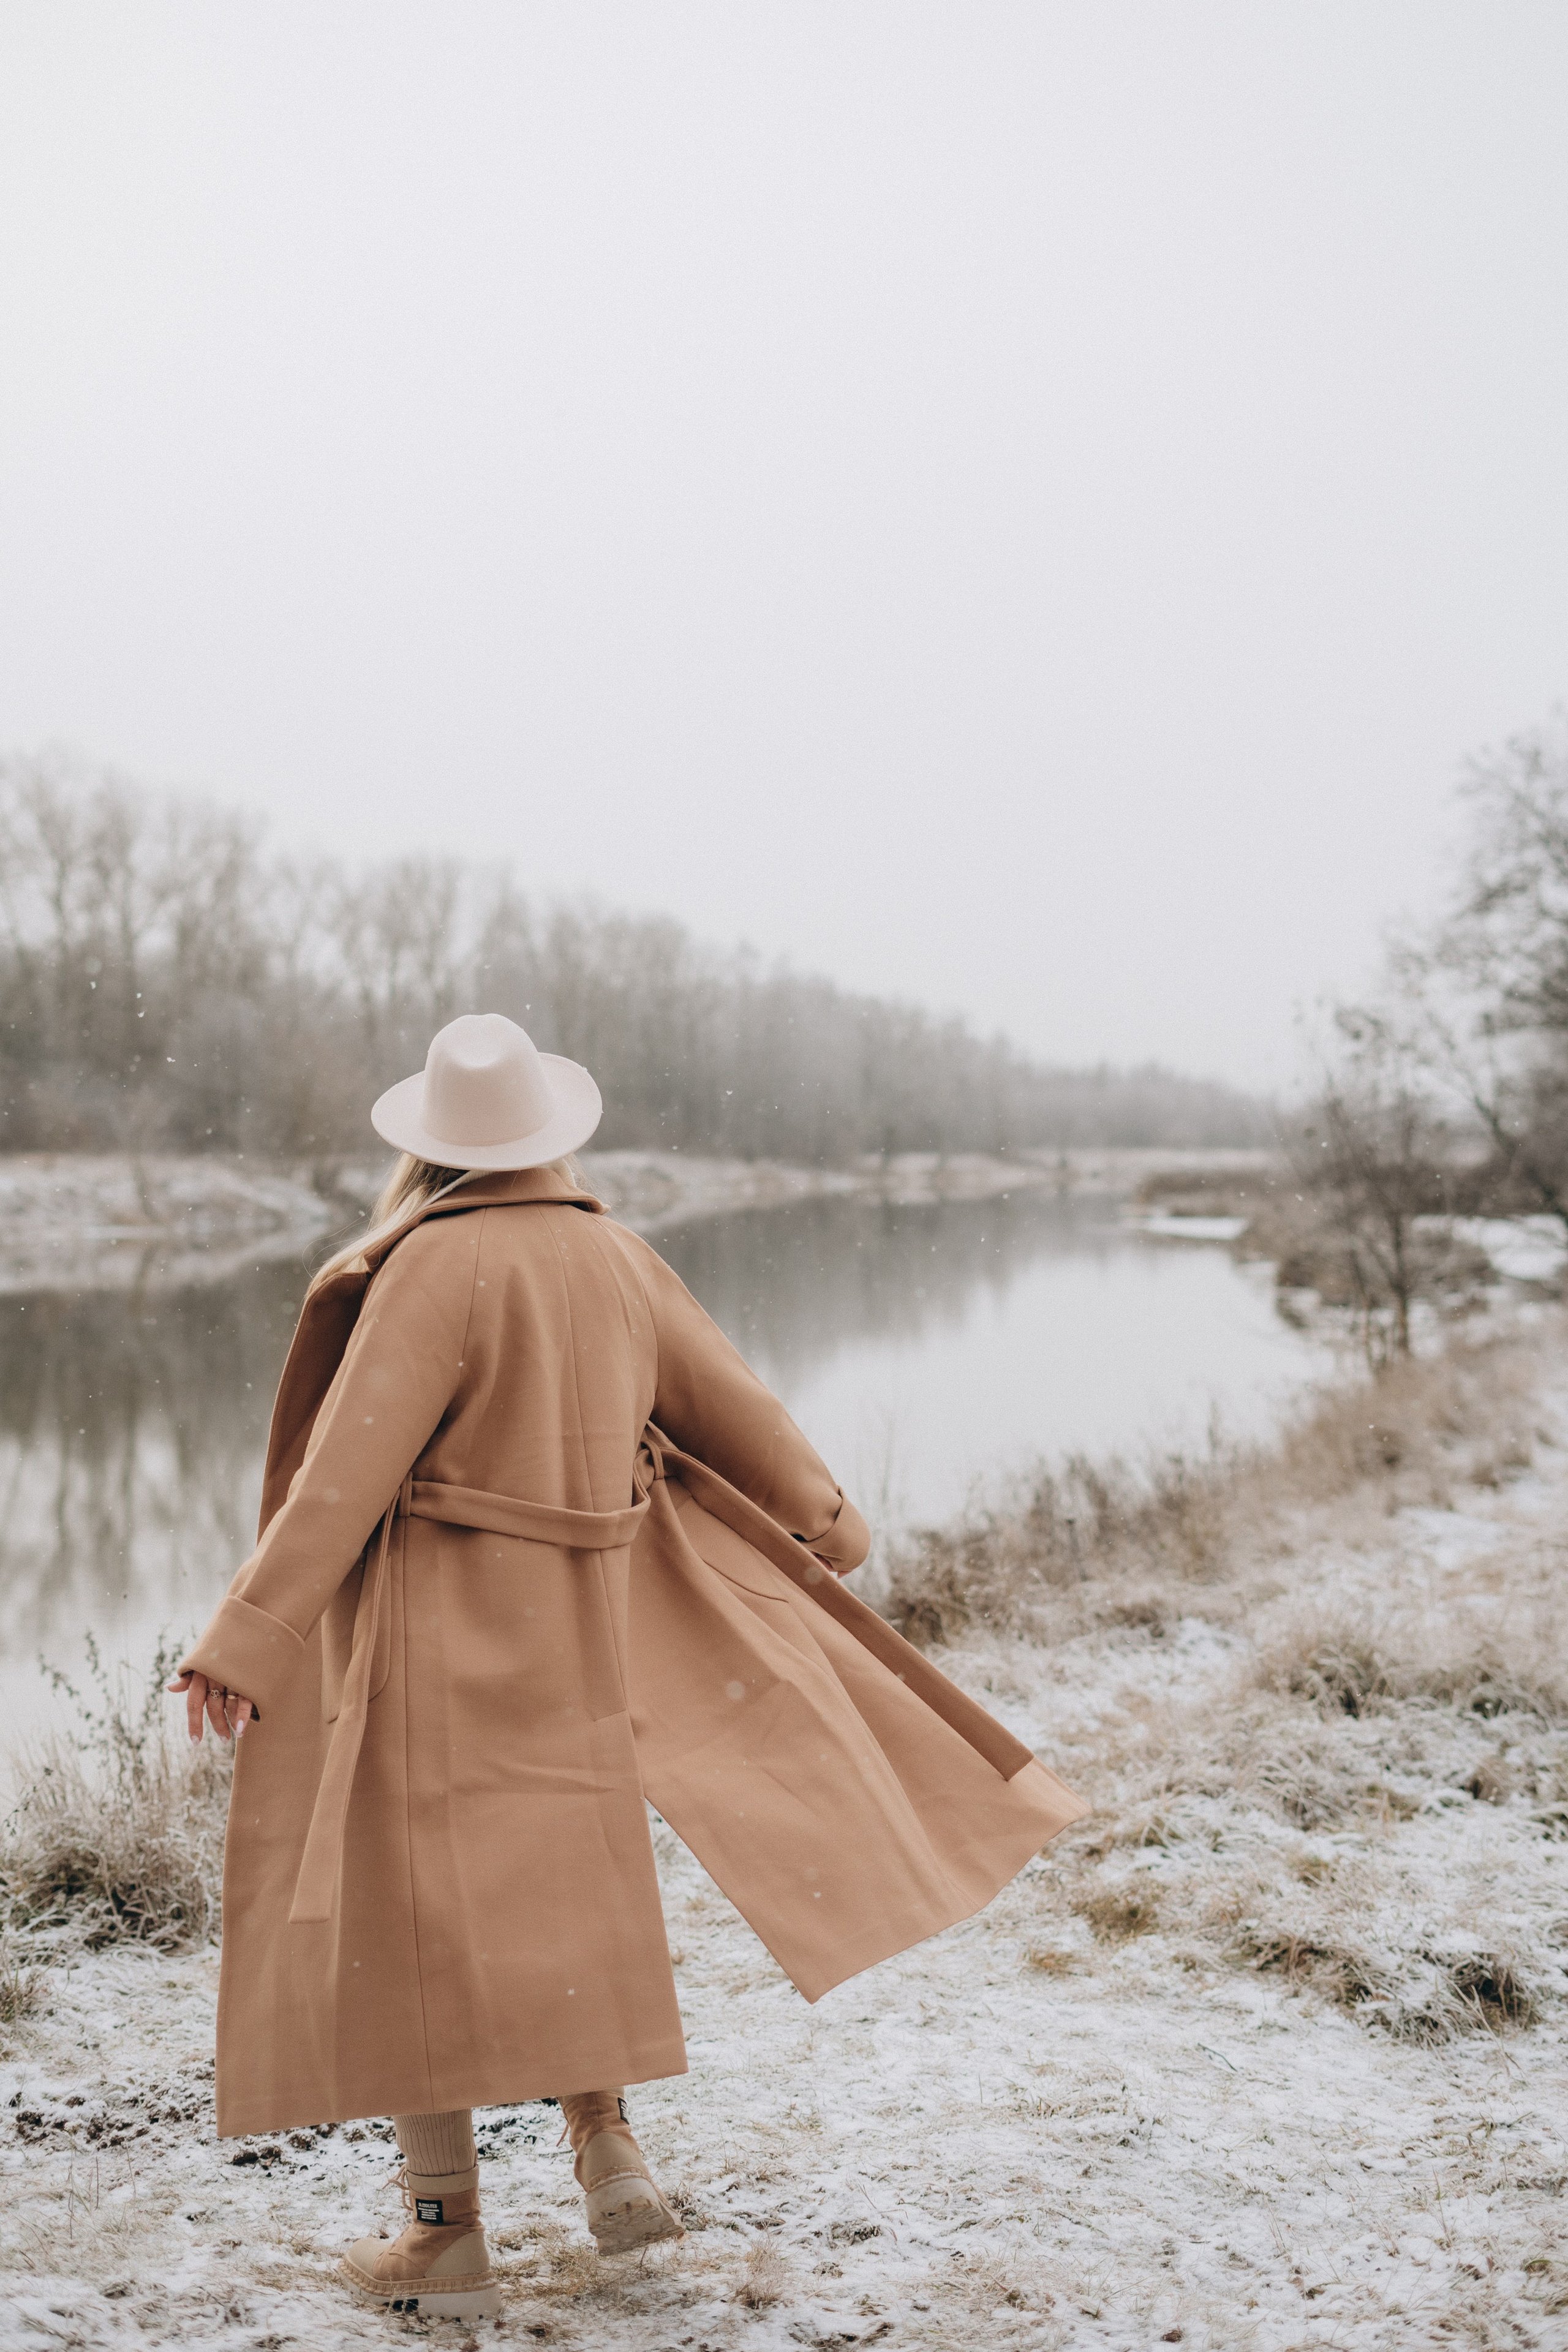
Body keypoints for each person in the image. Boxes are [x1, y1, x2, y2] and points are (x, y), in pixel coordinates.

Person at [172, 1012, 1085, 2321]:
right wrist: (828, 1527)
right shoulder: (616, 1257)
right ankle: (606, 2153)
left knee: (409, 1926)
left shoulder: (431, 1269)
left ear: (429, 1148)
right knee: (565, 1892)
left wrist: (244, 1639)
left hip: (437, 1633)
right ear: (547, 1133)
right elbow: (745, 1416)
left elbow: (341, 1482)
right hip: (588, 1632)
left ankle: (444, 2236)